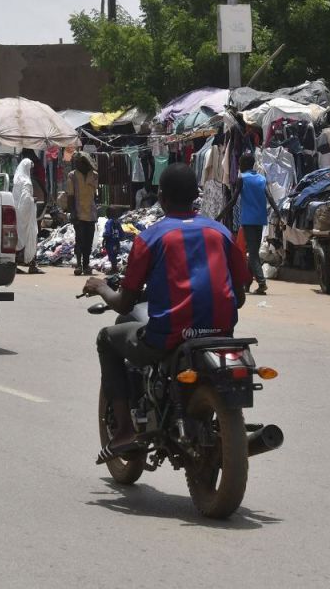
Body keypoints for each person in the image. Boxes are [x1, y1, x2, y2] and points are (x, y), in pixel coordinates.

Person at [82, 163, 251, 461]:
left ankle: (123, 431)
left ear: (161, 197)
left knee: (106, 339)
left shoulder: (150, 238)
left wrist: (100, 287)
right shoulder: (221, 232)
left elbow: (123, 303)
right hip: (222, 335)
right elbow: (239, 296)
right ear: (195, 198)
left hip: (169, 337)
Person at [223, 153, 277, 295]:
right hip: (260, 219)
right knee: (252, 250)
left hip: (248, 220)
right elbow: (270, 197)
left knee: (252, 254)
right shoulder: (261, 178)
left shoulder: (242, 178)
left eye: (240, 164)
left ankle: (261, 282)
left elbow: (234, 200)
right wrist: (278, 212)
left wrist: (220, 215)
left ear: (243, 165)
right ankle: (247, 284)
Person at [66, 152, 99, 276]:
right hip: (78, 214)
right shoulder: (72, 176)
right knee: (79, 240)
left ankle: (86, 264)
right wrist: (72, 213)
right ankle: (79, 265)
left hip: (90, 214)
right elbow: (70, 196)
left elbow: (95, 195)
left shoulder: (94, 175)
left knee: (88, 241)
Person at [12, 157, 42, 275]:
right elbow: (25, 199)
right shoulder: (26, 182)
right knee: (31, 236)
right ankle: (32, 265)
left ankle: (15, 265)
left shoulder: (17, 180)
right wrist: (32, 200)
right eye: (31, 169)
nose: (32, 171)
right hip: (26, 216)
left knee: (17, 239)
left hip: (16, 214)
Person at [101, 205, 124, 274]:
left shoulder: (109, 222)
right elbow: (121, 232)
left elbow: (107, 232)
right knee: (115, 255)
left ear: (108, 214)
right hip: (116, 242)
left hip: (110, 242)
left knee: (111, 256)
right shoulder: (117, 222)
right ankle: (114, 268)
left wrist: (104, 239)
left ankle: (114, 269)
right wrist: (121, 238)